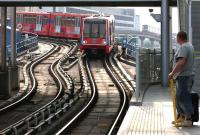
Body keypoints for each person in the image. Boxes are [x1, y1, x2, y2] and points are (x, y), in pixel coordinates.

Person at [168, 31, 195, 127]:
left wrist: (172, 73)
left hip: (184, 76)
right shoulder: (190, 46)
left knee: (183, 96)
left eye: (176, 38)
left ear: (179, 38)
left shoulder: (184, 47)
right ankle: (182, 117)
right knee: (179, 96)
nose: (176, 39)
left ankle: (188, 118)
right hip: (186, 76)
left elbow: (181, 62)